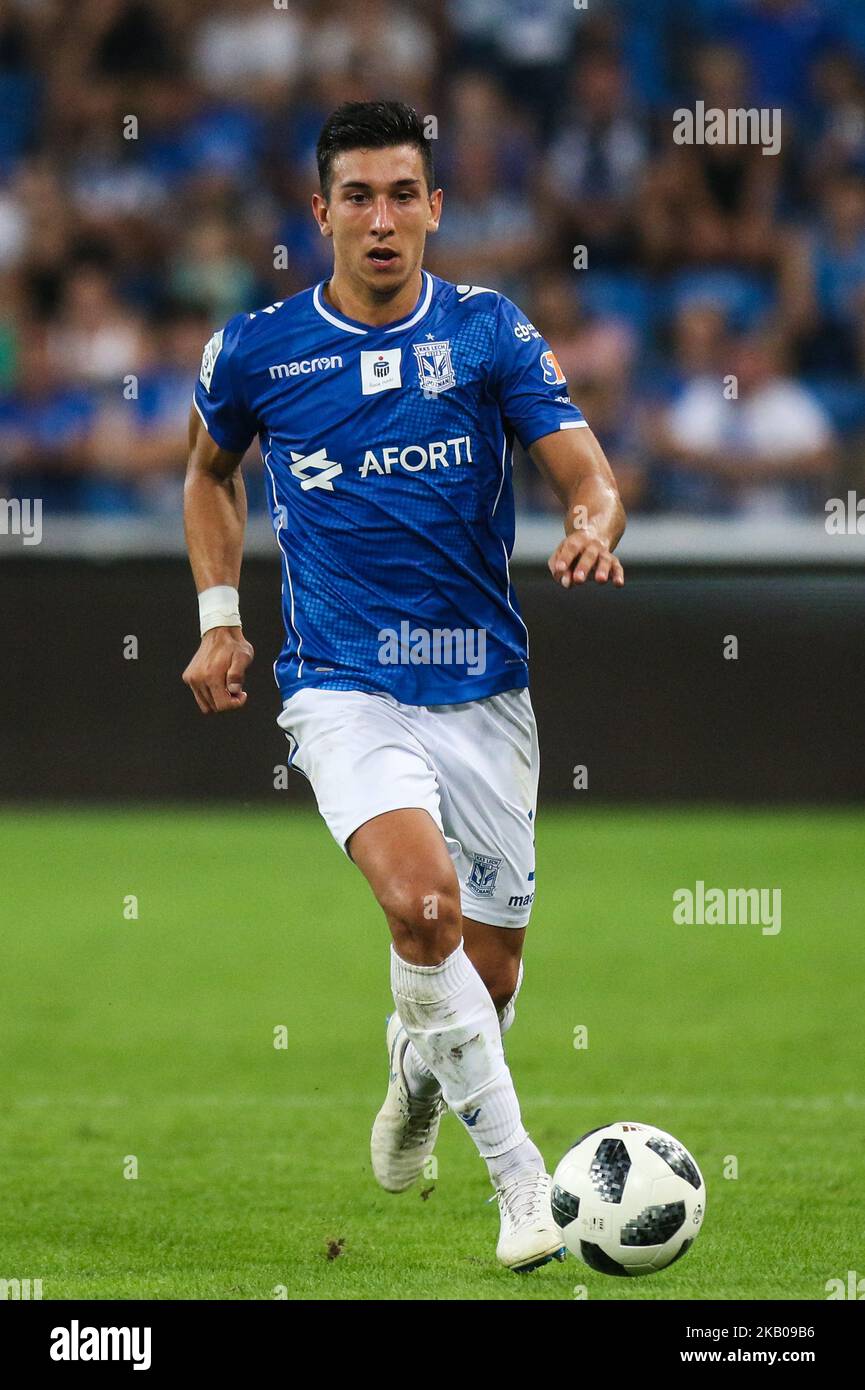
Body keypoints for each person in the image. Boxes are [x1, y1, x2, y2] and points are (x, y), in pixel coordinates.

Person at [181, 101, 625, 1273]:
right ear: (320, 212)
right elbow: (208, 475)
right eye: (358, 198)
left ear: (435, 206)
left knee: (486, 971)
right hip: (341, 683)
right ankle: (525, 1189)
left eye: (403, 195)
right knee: (420, 905)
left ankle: (416, 1080)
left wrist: (592, 523)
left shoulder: (484, 333)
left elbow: (586, 470)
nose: (382, 220)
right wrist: (220, 619)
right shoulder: (258, 350)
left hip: (482, 690)